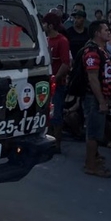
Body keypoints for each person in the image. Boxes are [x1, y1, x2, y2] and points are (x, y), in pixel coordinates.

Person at [81, 20, 111, 178]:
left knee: (96, 131)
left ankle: (94, 158)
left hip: (101, 97)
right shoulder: (92, 51)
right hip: (94, 98)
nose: (109, 32)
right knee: (93, 133)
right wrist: (101, 101)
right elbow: (93, 78)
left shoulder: (103, 50)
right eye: (106, 30)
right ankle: (90, 166)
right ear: (97, 33)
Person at [42, 13, 70, 154]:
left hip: (57, 84)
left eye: (45, 24)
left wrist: (55, 78)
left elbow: (66, 63)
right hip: (45, 83)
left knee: (56, 114)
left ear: (50, 25)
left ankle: (57, 144)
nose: (43, 26)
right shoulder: (45, 40)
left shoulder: (62, 41)